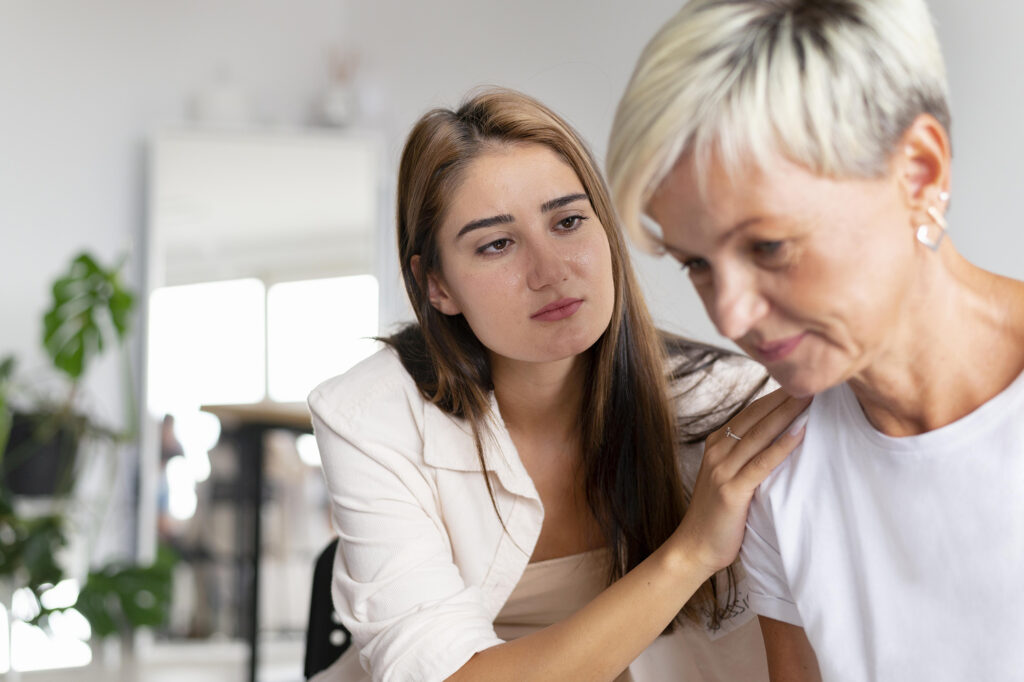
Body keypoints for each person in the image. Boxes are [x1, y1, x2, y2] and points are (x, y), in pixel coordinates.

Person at [308, 88, 811, 681]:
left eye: (568, 221)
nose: (550, 272)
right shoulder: (371, 417)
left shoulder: (725, 403)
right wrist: (693, 550)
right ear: (436, 284)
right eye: (497, 243)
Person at [607, 1, 1024, 680]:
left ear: (919, 172)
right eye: (698, 265)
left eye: (769, 246)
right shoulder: (778, 474)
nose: (731, 317)